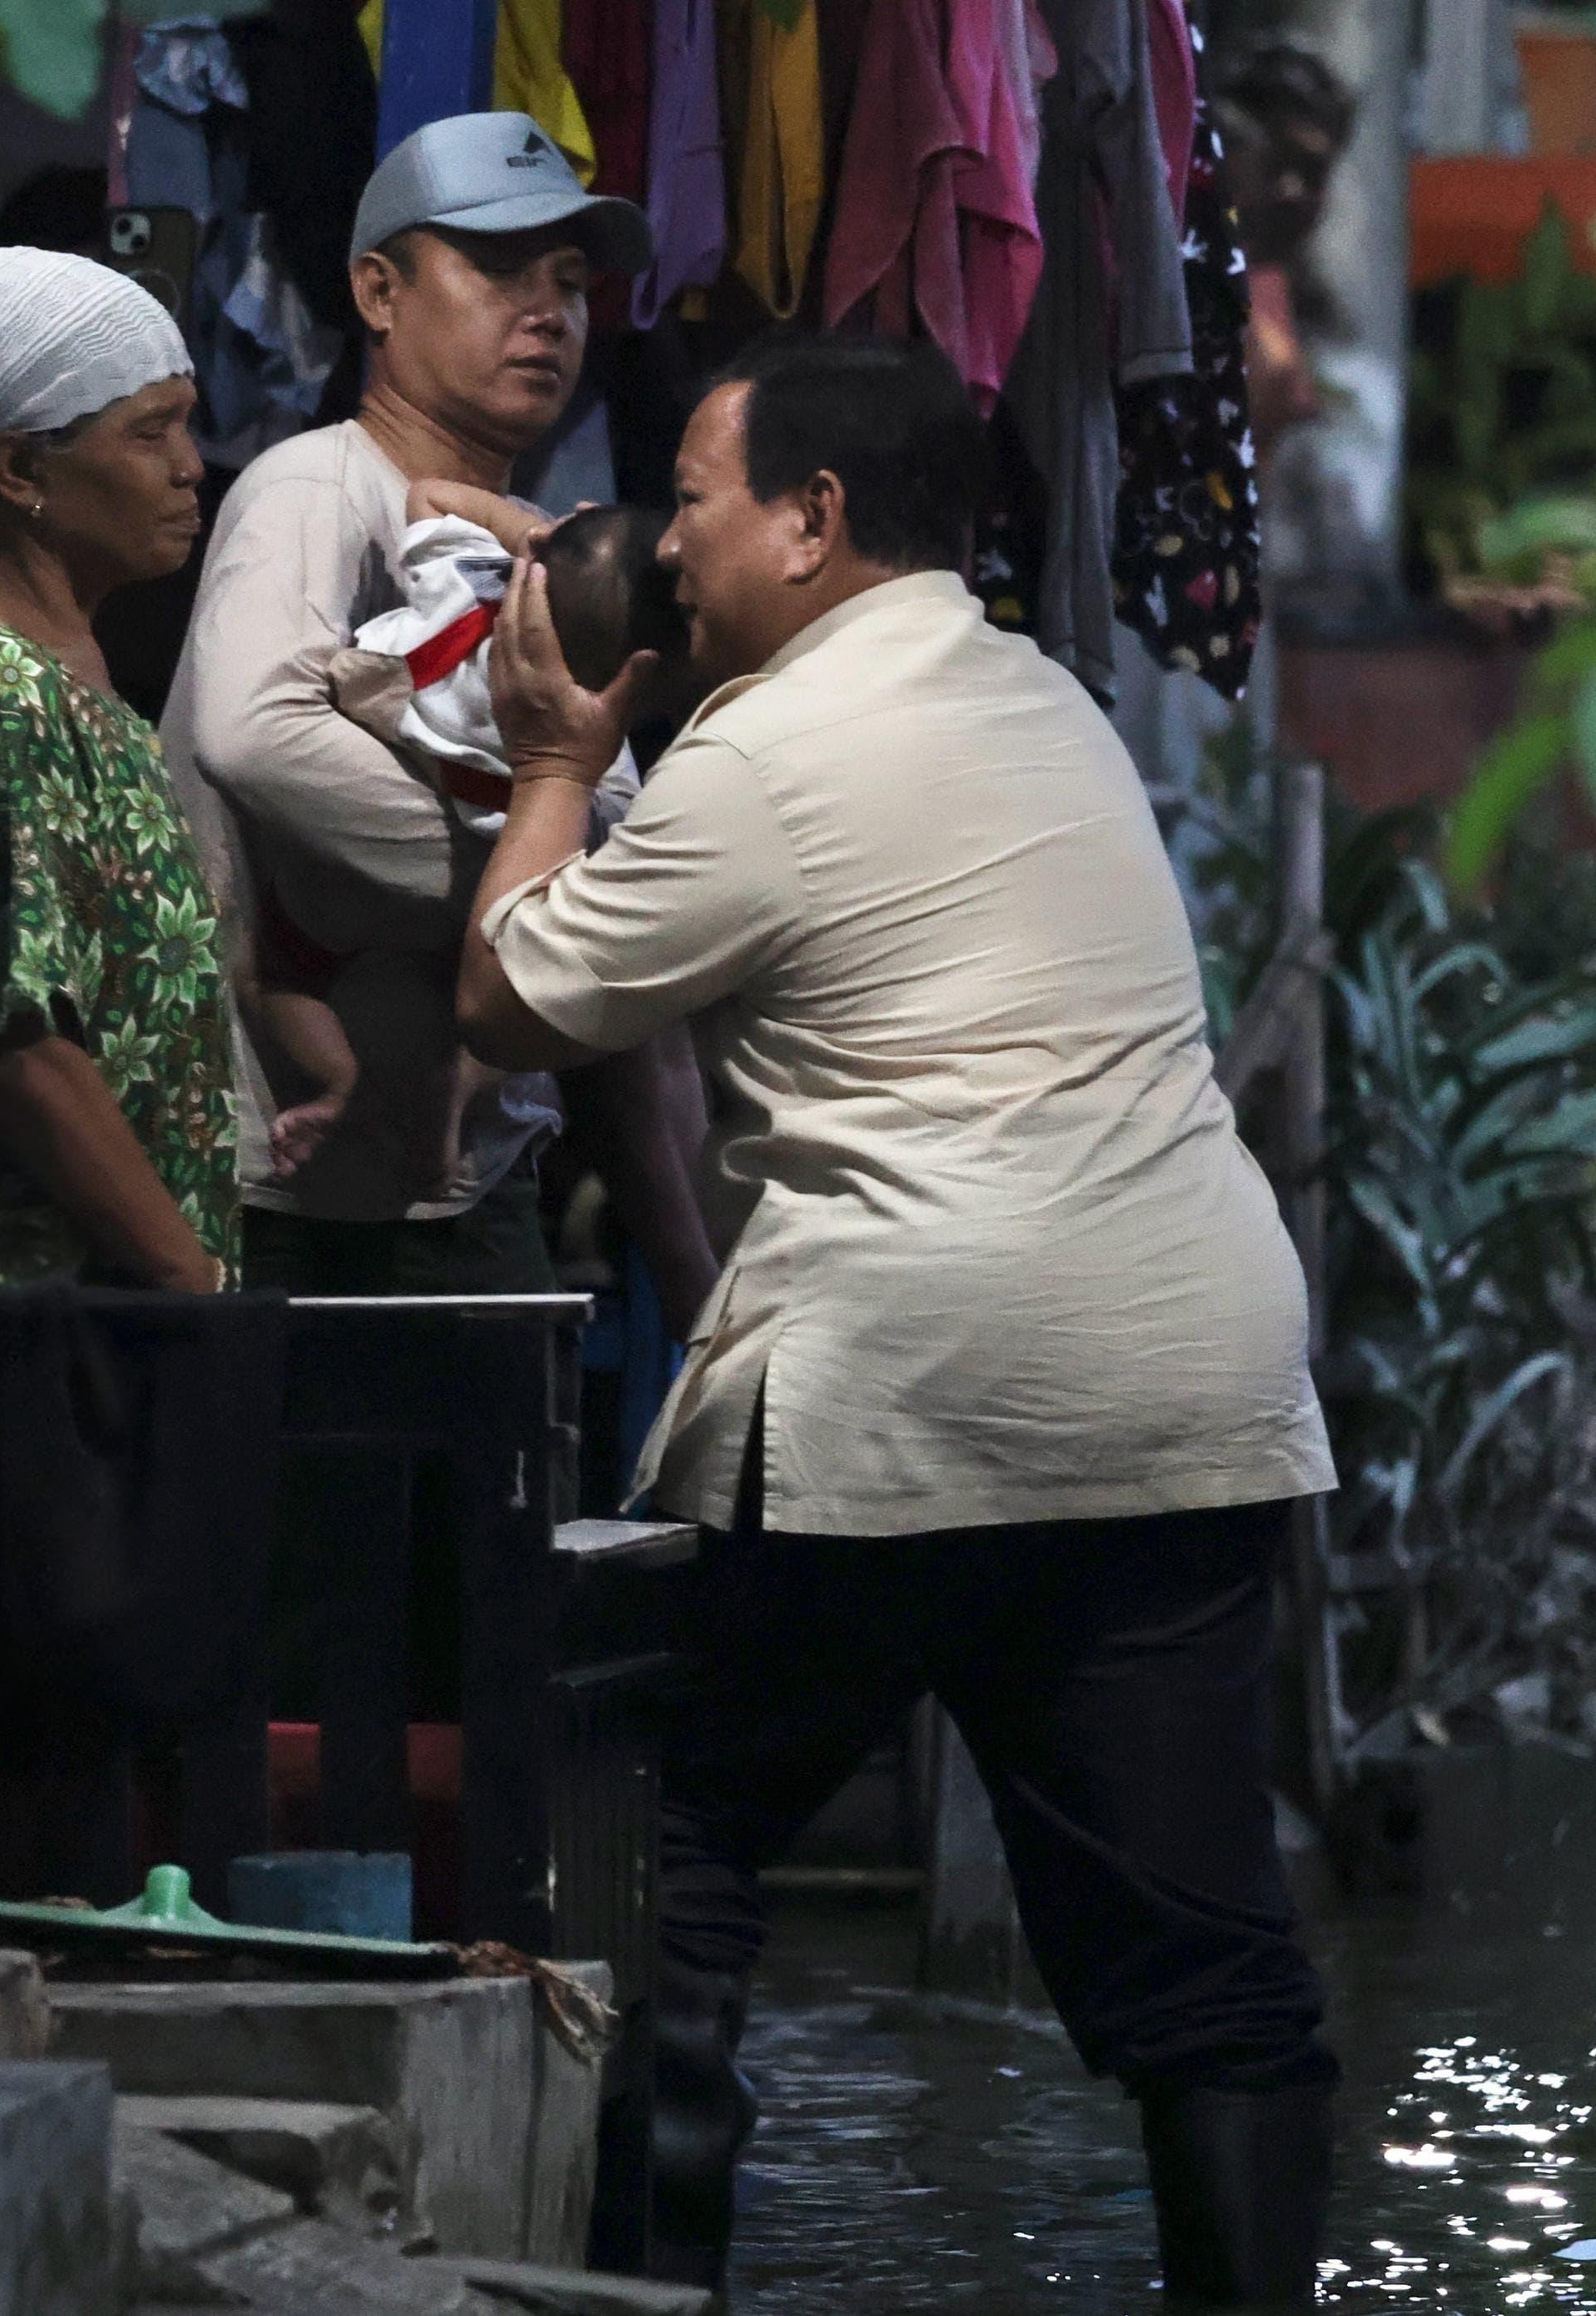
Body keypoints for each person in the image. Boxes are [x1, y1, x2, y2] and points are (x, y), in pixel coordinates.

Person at [456, 333, 1343, 2304]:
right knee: (1208, 1965)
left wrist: (546, 766)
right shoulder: (1045, 701)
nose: (670, 543)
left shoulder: (767, 756)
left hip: (918, 1373)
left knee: (669, 1856)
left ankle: (653, 2283)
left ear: (811, 519)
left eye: (691, 496)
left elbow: (513, 997)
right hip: (1179, 1369)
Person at [167, 110, 717, 1316]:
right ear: (378, 290)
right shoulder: (318, 489)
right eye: (498, 268)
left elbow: (595, 800)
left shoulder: (550, 546)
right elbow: (254, 735)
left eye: (570, 282)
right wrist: (520, 907)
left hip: (477, 1185)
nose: (548, 312)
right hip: (303, 1207)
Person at [251, 482, 692, 1189]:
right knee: (519, 989)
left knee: (273, 975)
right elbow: (536, 863)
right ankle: (454, 1091)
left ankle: (339, 1084)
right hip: (443, 916)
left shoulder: (466, 586)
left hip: (325, 867)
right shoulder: (543, 751)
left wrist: (528, 537)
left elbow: (428, 496)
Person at [0, 247, 234, 1292]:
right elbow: (19, 1038)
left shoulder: (84, 685)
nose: (191, 465)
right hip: (66, 1315)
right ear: (21, 471)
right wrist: (191, 1282)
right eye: (149, 432)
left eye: (185, 423)